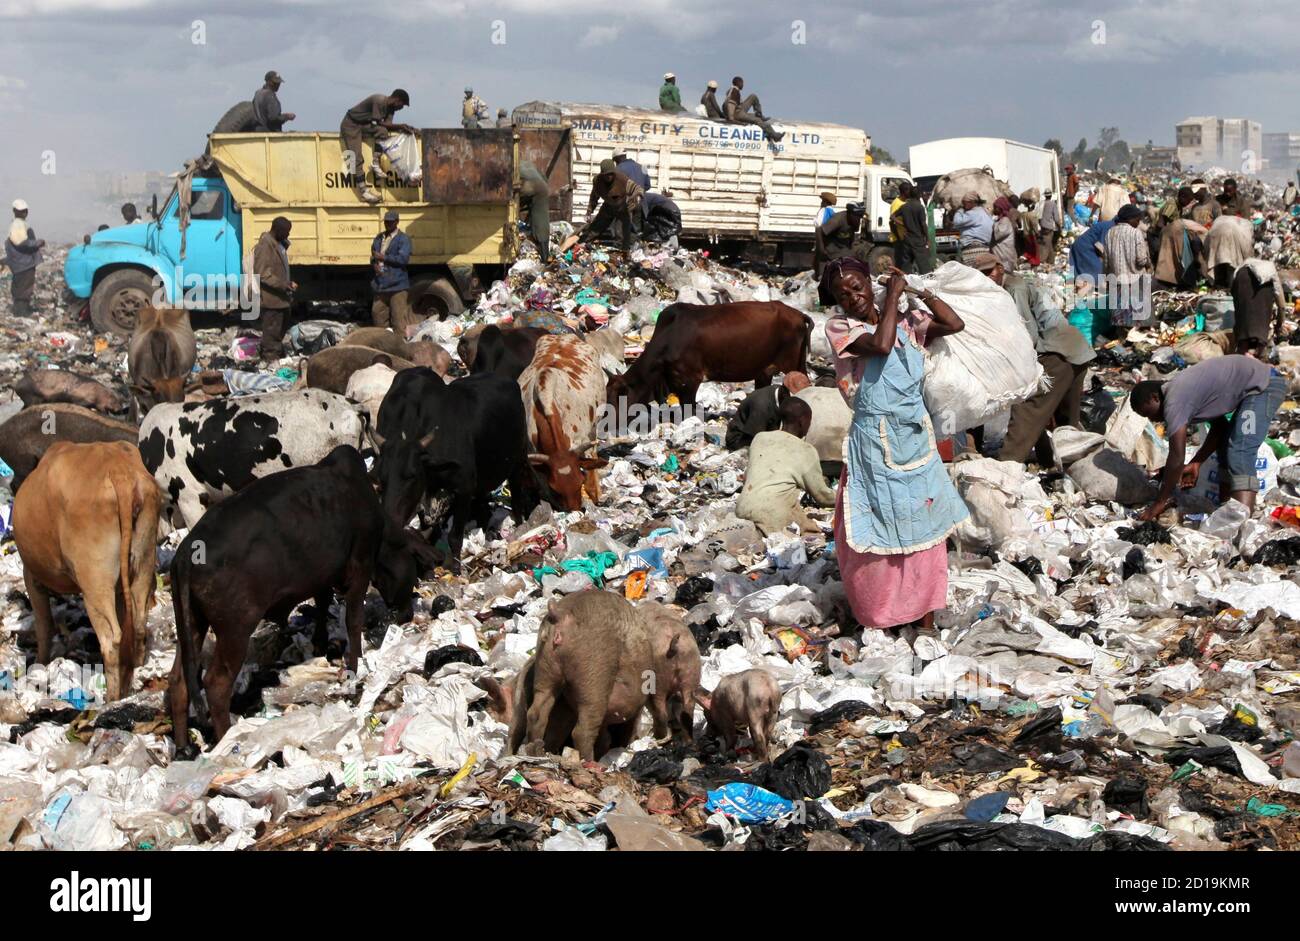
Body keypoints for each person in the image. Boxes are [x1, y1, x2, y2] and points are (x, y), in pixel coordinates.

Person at [820, 258, 968, 642]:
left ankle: (924, 618)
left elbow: (954, 324)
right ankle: (882, 615)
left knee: (926, 523)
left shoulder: (909, 322)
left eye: (858, 287)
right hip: (874, 441)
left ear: (871, 283)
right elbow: (881, 346)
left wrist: (919, 290)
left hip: (915, 438)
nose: (853, 298)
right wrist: (893, 301)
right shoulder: (842, 328)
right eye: (843, 294)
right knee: (878, 524)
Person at [970, 253, 1096, 466]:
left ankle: (1006, 467)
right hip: (1075, 350)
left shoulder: (1013, 289)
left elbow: (1026, 336)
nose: (986, 277)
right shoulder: (1010, 287)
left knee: (1027, 408)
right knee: (1065, 421)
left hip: (1056, 352)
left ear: (1000, 268)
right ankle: (1063, 465)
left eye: (989, 271)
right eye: (981, 274)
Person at [1132, 355, 1286, 519]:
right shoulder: (1184, 393)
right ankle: (1225, 511)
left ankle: (1241, 522)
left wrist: (1159, 503)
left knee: (1240, 450)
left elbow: (1177, 456)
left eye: (1149, 413)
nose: (1152, 420)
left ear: (1155, 398)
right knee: (1227, 447)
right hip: (1254, 386)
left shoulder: (1174, 400)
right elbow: (1219, 428)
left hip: (1264, 385)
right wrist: (1197, 462)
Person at [735, 398, 837, 536]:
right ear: (802, 420)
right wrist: (846, 498)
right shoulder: (806, 450)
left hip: (742, 509)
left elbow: (749, 475)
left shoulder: (760, 438)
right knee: (813, 534)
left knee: (796, 511)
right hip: (771, 514)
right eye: (809, 420)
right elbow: (822, 497)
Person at [341, 89, 413, 205]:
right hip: (351, 125)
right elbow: (377, 122)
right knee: (357, 157)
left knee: (382, 131)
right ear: (397, 100)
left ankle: (375, 163)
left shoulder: (391, 109)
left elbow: (386, 126)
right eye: (402, 105)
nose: (401, 108)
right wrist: (400, 126)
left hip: (364, 125)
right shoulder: (378, 100)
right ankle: (364, 192)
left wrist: (407, 128)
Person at [577, 159, 643, 253]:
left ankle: (622, 254)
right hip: (608, 206)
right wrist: (589, 211)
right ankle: (581, 245)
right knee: (595, 228)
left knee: (621, 234)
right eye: (606, 175)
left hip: (623, 208)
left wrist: (637, 197)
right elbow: (594, 197)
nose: (609, 177)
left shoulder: (622, 179)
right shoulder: (598, 181)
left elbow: (637, 189)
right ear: (602, 174)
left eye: (611, 174)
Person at [252, 216, 295, 361]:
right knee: (271, 335)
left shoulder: (278, 243)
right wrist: (284, 285)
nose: (288, 235)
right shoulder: (265, 245)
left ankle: (274, 357)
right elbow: (262, 274)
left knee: (278, 332)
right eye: (286, 232)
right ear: (277, 230)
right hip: (272, 300)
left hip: (280, 299)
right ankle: (270, 361)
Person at [1104, 203, 1151, 325]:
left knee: (1119, 316)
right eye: (1137, 219)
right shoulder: (1135, 233)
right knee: (1136, 316)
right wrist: (1148, 264)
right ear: (1130, 219)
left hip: (1116, 280)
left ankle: (1120, 336)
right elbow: (1141, 260)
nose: (1138, 222)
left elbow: (1106, 260)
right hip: (1133, 281)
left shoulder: (1110, 233)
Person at [1230, 258, 1287, 357]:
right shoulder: (1270, 273)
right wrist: (1279, 324)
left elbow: (1236, 302)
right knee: (1259, 348)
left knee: (1244, 342)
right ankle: (1254, 354)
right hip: (1260, 330)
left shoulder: (1240, 272)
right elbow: (1281, 306)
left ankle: (1244, 353)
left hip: (1243, 328)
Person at [371, 209, 414, 334]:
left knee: (398, 320)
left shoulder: (403, 239)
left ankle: (400, 348)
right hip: (381, 284)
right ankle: (383, 346)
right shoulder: (379, 238)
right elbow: (373, 256)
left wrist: (383, 257)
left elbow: (403, 259)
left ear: (397, 222)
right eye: (386, 222)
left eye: (390, 222)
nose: (387, 224)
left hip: (398, 285)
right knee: (377, 315)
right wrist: (374, 265)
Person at [5, 199, 44, 317]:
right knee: (24, 288)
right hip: (24, 263)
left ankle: (20, 310)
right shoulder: (18, 225)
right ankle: (21, 312)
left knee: (20, 287)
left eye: (24, 211)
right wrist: (38, 243)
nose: (23, 213)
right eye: (21, 211)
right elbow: (22, 243)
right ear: (14, 211)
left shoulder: (18, 224)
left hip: (20, 262)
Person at [725, 382, 789, 451]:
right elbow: (756, 437)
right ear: (784, 393)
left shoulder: (779, 392)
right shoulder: (762, 406)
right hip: (740, 439)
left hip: (761, 432)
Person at [814, 202, 866, 277]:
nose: (859, 220)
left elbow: (851, 235)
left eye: (860, 217)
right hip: (831, 251)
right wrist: (821, 250)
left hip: (843, 250)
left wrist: (851, 247)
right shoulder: (838, 219)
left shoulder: (854, 222)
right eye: (858, 217)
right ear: (850, 214)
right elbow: (819, 230)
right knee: (823, 280)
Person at [723, 76, 783, 142]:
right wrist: (732, 119)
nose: (743, 85)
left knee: (753, 96)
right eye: (742, 83)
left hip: (739, 110)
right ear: (738, 83)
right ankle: (774, 136)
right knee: (757, 120)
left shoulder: (733, 90)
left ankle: (759, 114)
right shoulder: (734, 92)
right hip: (737, 114)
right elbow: (730, 105)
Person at [895, 183, 932, 274]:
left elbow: (892, 216)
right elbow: (923, 224)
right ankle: (927, 285)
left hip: (907, 239)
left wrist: (902, 224)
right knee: (924, 266)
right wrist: (927, 239)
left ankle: (906, 283)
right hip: (918, 239)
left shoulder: (904, 207)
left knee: (906, 265)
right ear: (919, 195)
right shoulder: (920, 207)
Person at [519, 161, 551, 263]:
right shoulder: (524, 165)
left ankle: (544, 259)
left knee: (540, 223)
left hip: (533, 187)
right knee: (540, 220)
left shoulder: (508, 166)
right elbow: (544, 177)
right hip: (541, 187)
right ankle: (545, 256)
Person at [951, 193, 993, 262]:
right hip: (985, 248)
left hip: (972, 247)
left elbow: (957, 222)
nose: (964, 205)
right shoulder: (985, 212)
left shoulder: (973, 213)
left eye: (964, 203)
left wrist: (960, 210)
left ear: (972, 202)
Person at [989, 196, 1018, 272]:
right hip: (1000, 256)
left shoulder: (1005, 221)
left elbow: (998, 234)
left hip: (1004, 257)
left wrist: (992, 224)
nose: (994, 209)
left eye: (996, 207)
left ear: (1001, 208)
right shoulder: (999, 220)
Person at [1038, 190, 1061, 261]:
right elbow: (1056, 218)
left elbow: (1038, 215)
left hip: (1042, 226)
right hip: (1049, 227)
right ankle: (1044, 259)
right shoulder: (1052, 204)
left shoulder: (1041, 203)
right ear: (1051, 196)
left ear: (1045, 196)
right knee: (1048, 244)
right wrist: (1059, 226)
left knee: (1048, 242)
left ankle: (1051, 259)